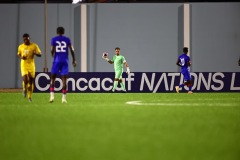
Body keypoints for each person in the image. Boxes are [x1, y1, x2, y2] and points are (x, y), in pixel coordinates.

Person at [49, 27, 76, 103]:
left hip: (57, 61)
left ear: (57, 32)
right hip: (65, 61)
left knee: (52, 79)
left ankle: (52, 97)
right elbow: (72, 49)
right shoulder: (67, 39)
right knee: (64, 81)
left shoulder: (54, 39)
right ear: (63, 32)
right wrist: (74, 59)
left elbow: (52, 50)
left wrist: (52, 54)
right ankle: (63, 98)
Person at [17, 33, 42, 102]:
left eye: (27, 39)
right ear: (23, 40)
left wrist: (36, 53)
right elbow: (18, 54)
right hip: (24, 64)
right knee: (25, 80)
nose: (26, 41)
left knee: (30, 81)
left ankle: (29, 97)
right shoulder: (21, 47)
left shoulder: (34, 46)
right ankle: (24, 89)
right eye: (25, 39)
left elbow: (40, 54)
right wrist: (21, 57)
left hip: (31, 65)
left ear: (29, 39)